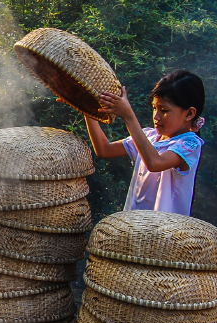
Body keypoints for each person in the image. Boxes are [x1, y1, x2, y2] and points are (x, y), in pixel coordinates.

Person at [79, 70, 205, 216]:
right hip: (136, 229)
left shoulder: (190, 144)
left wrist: (128, 116)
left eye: (164, 110)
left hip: (164, 234)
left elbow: (155, 163)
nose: (156, 116)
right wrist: (86, 109)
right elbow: (104, 149)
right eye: (154, 108)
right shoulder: (149, 136)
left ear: (189, 114)